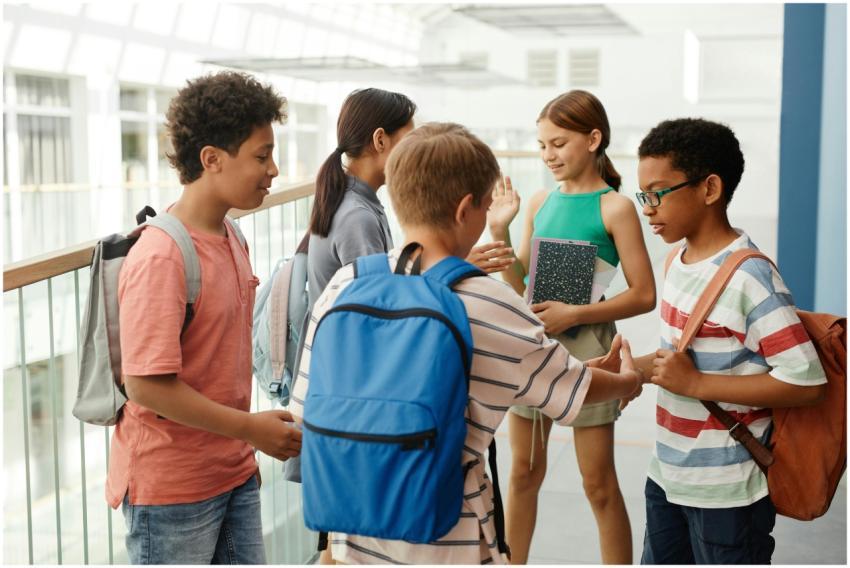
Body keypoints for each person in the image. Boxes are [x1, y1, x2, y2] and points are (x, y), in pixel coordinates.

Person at [290, 122, 646, 564]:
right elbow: (573, 387)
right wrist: (628, 381)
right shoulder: (488, 302)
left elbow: (304, 411)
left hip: (352, 535)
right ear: (465, 210)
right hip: (445, 537)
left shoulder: (348, 283)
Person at [105, 71, 301, 564]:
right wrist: (250, 429)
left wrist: (245, 441)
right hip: (171, 491)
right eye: (261, 156)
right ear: (211, 159)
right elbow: (146, 385)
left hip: (232, 472)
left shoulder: (233, 236)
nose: (273, 170)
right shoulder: (162, 256)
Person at [625, 118, 827, 564]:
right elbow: (680, 362)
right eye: (643, 195)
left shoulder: (750, 279)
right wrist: (629, 371)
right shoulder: (675, 261)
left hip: (728, 493)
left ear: (709, 189)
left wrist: (699, 386)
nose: (647, 208)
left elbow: (807, 383)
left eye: (657, 193)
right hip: (667, 475)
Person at [487, 90, 656, 564]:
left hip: (589, 353)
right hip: (533, 347)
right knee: (522, 473)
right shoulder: (540, 201)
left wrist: (574, 314)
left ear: (593, 138)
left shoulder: (615, 208)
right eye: (542, 145)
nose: (548, 156)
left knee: (598, 485)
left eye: (558, 143)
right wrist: (499, 230)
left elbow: (644, 294)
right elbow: (522, 283)